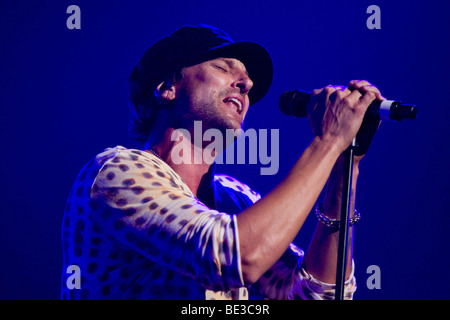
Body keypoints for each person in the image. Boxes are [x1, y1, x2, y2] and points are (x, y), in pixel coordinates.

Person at [61, 24, 384, 300]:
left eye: (247, 81)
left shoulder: (235, 198)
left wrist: (344, 168)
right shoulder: (117, 170)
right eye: (224, 68)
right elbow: (238, 257)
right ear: (167, 87)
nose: (246, 85)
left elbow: (314, 294)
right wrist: (327, 142)